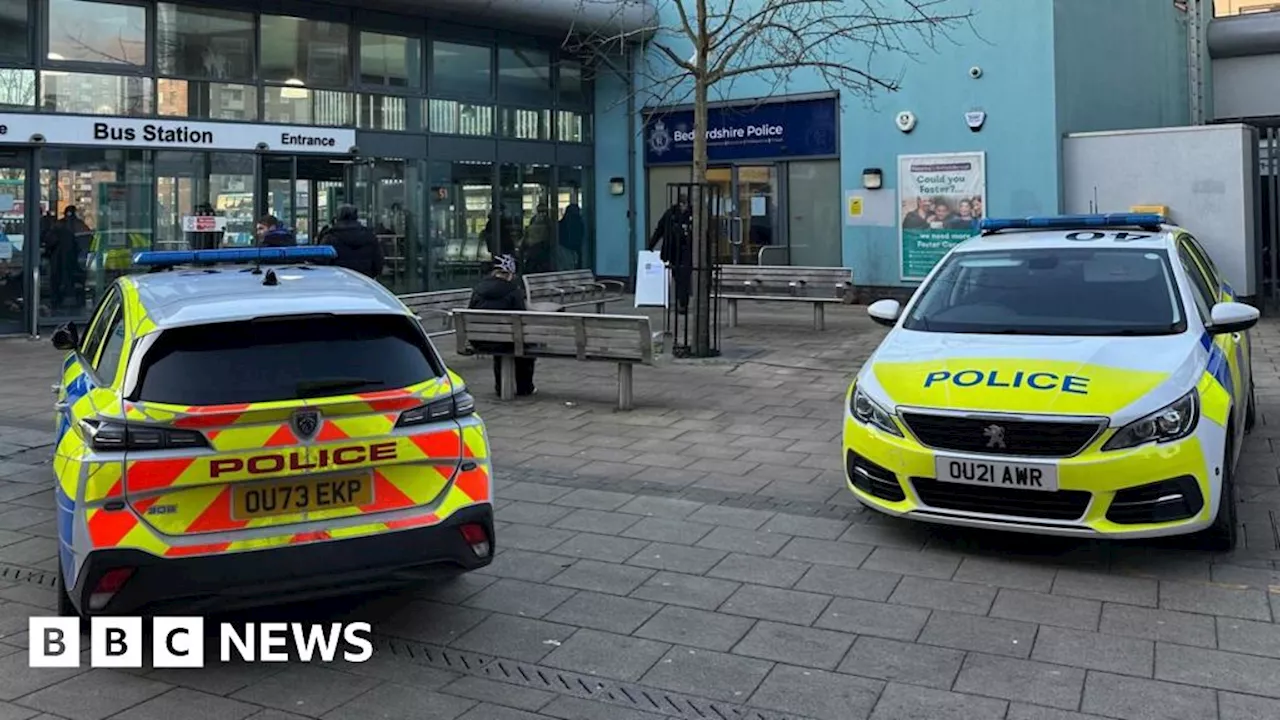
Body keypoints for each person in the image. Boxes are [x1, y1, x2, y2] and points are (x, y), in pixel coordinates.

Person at [469, 254, 536, 397]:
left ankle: (501, 387)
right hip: (506, 341)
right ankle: (525, 387)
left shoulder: (478, 289)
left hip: (479, 340)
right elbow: (521, 316)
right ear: (510, 274)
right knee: (522, 343)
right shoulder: (513, 291)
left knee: (503, 341)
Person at [647, 196, 693, 314]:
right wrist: (651, 245)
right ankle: (681, 301)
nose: (684, 207)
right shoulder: (670, 214)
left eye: (686, 204)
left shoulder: (692, 214)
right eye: (682, 204)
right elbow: (660, 229)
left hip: (687, 250)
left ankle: (683, 303)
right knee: (677, 277)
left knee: (684, 278)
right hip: (673, 250)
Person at [318, 204, 384, 278]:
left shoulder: (329, 238)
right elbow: (378, 262)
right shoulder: (370, 236)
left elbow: (321, 262)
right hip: (364, 280)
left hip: (337, 281)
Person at [45, 206, 91, 311]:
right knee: (76, 284)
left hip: (60, 262)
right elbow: (87, 241)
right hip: (74, 262)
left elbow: (49, 241)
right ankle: (75, 303)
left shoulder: (59, 225)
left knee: (58, 284)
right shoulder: (79, 225)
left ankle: (58, 304)